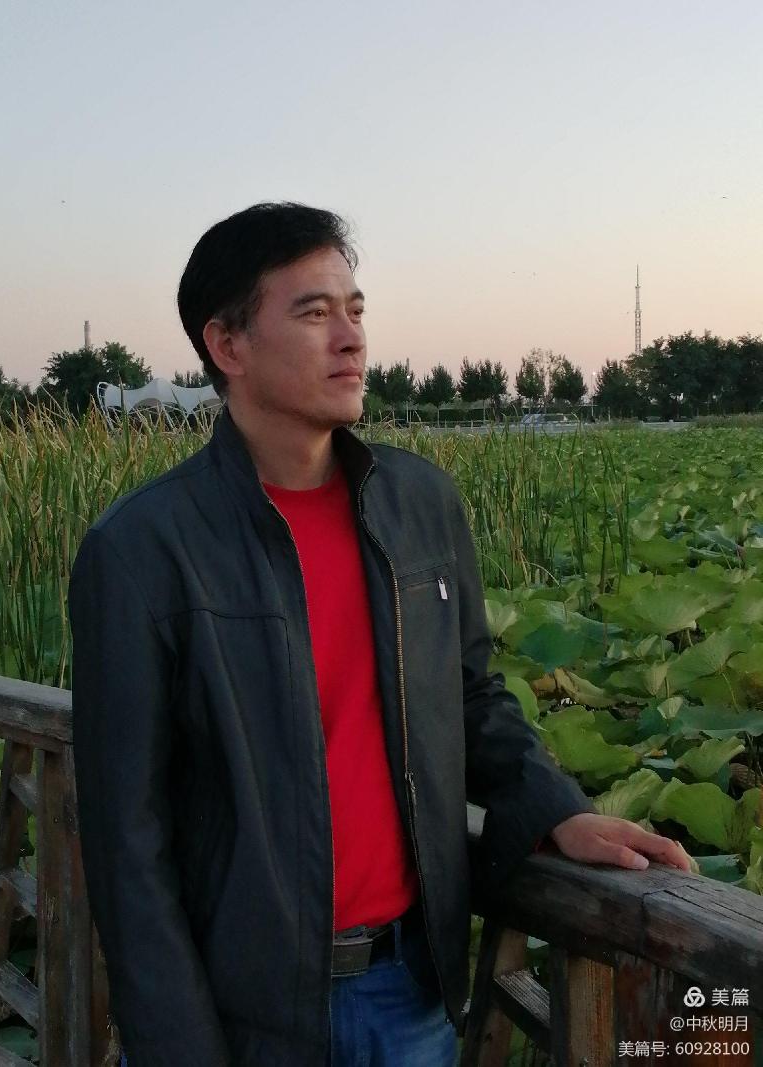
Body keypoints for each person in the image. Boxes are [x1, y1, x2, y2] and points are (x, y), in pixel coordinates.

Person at [69, 203, 690, 1067]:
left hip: (410, 995)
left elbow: (469, 696)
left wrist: (557, 807)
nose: (351, 337)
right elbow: (126, 841)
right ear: (227, 344)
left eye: (355, 309)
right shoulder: (142, 550)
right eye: (314, 312)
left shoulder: (421, 504)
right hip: (243, 1010)